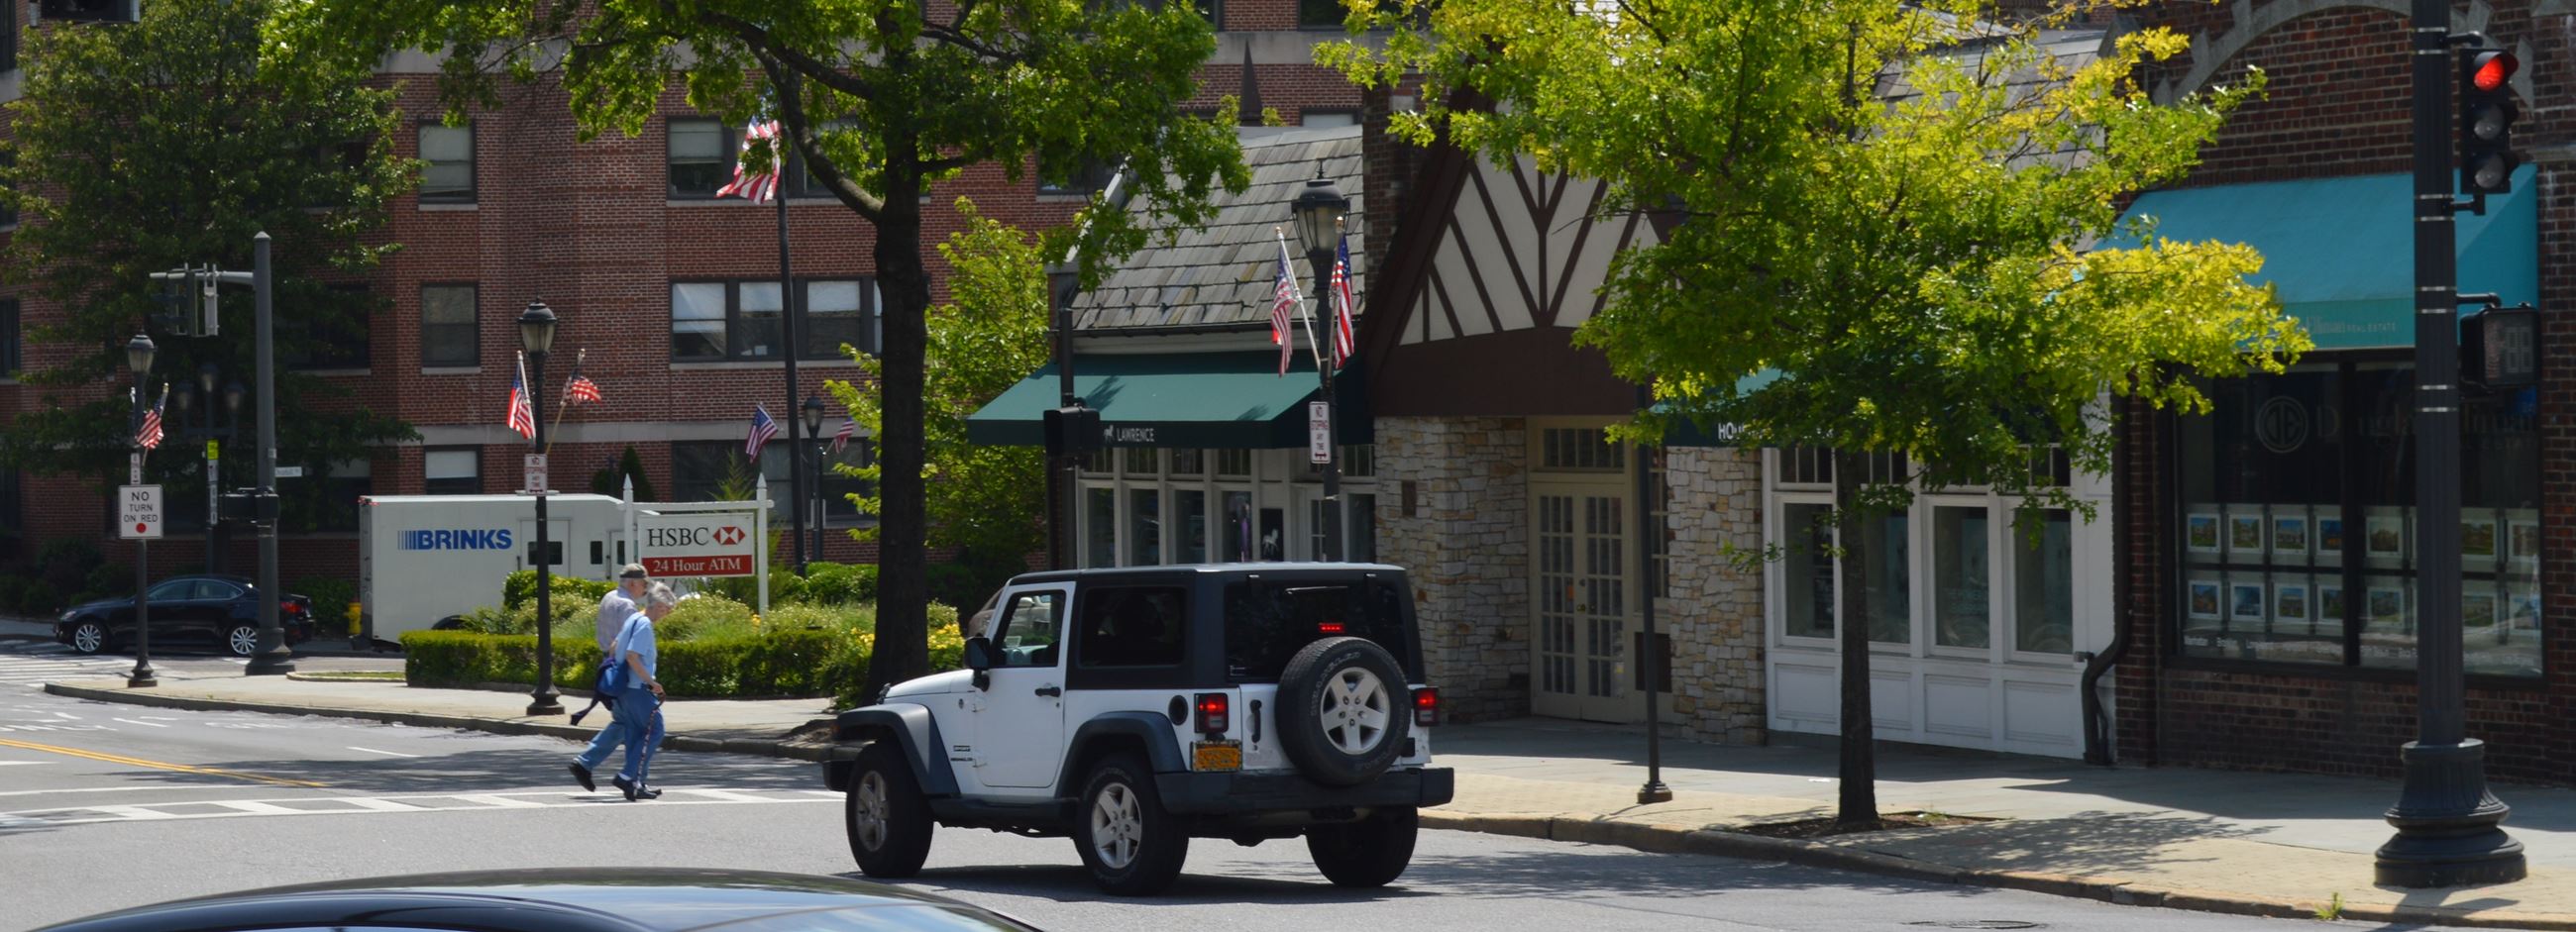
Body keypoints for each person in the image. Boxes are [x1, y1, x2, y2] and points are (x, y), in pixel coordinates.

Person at [603, 582, 675, 800]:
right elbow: (633, 656)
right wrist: (651, 682)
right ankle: (627, 776)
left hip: (625, 688)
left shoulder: (633, 619)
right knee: (655, 731)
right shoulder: (644, 624)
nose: (666, 614)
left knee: (636, 735)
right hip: (638, 688)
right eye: (664, 609)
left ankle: (637, 782)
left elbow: (614, 647)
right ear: (656, 605)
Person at [570, 565, 649, 726]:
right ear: (633, 584)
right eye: (643, 584)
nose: (645, 588)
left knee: (620, 712)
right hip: (621, 662)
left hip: (607, 659)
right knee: (626, 713)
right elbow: (631, 640)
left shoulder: (609, 596)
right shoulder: (627, 605)